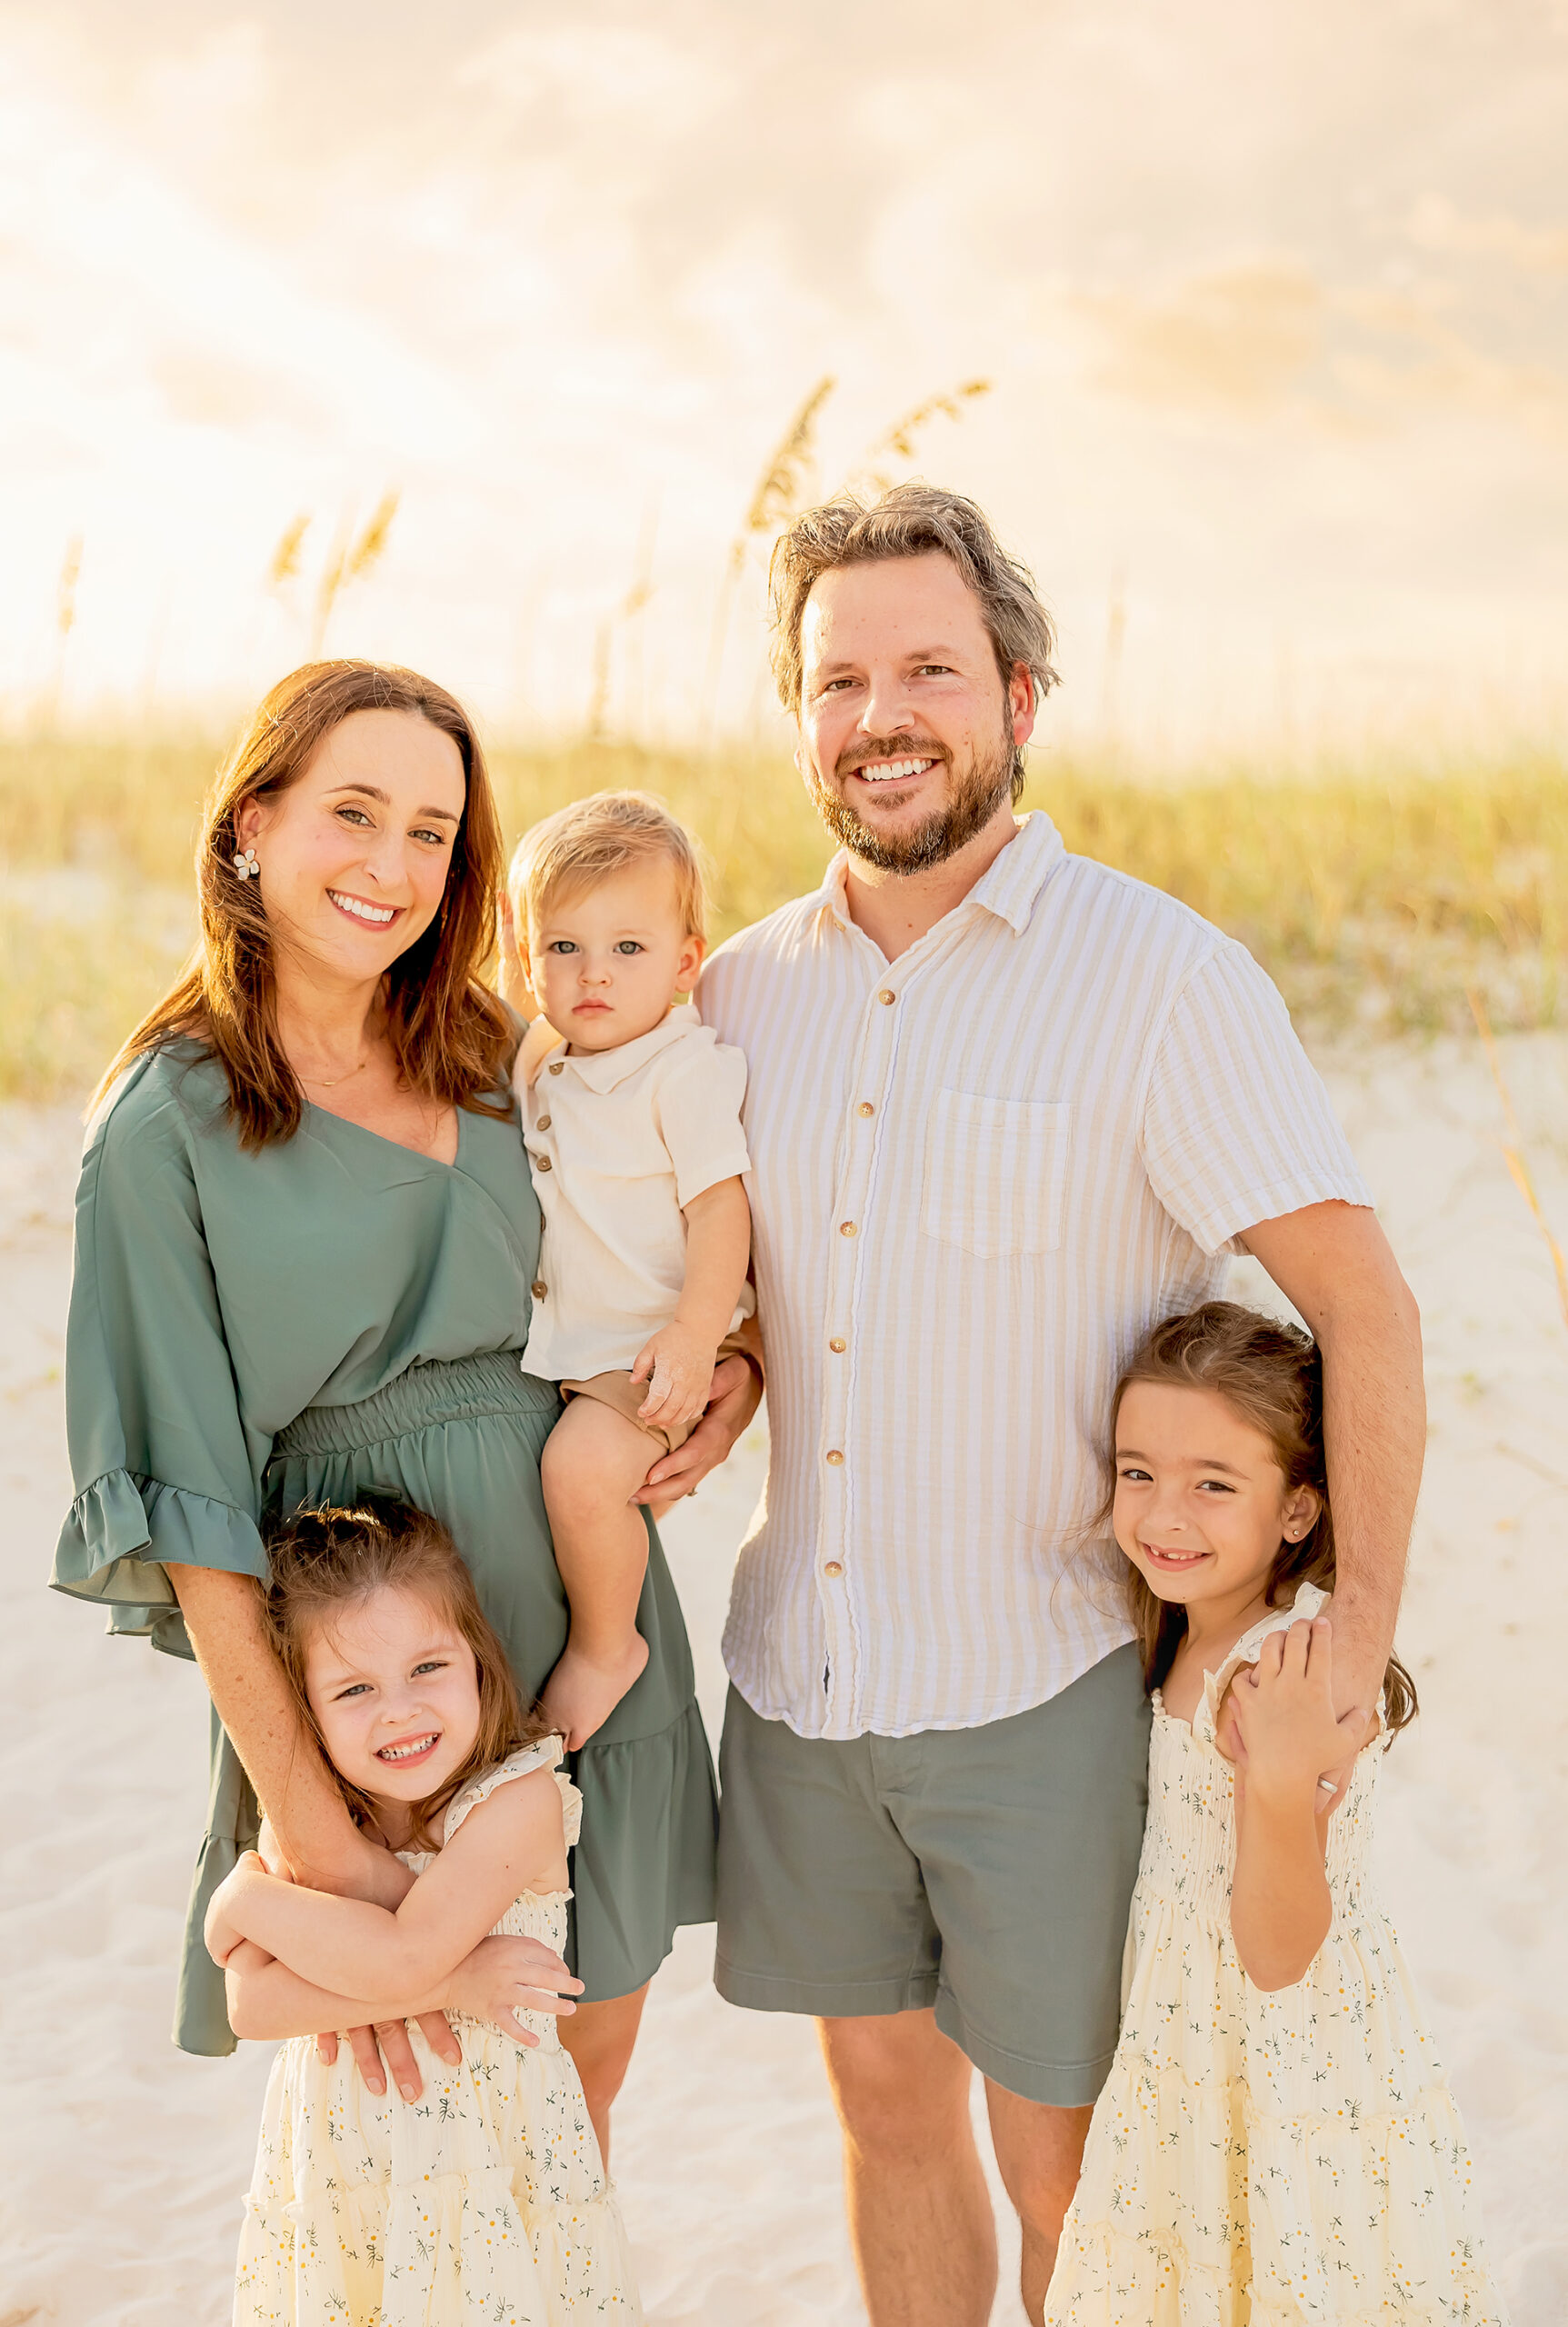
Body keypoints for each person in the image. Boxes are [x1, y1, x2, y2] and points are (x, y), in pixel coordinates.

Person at [695, 484, 1425, 2326]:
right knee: (882, 2115)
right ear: (798, 716)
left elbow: (1359, 1302)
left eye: (928, 669)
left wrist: (1352, 1634)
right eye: (836, 679)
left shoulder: (1159, 978)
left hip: (1042, 1695)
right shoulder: (735, 995)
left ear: (1018, 696)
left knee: (1069, 2167)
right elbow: (774, 1292)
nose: (880, 716)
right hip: (799, 1680)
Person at [53, 661, 754, 2152]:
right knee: (415, 2120)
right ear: (253, 823)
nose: (391, 864)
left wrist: (731, 1377)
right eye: (353, 813)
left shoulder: (505, 1048)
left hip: (577, 1619)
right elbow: (188, 1508)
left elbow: (655, 1236)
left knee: (576, 2085)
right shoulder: (162, 1128)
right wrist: (307, 1822)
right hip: (371, 1663)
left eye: (431, 832)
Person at [1047, 1303, 1507, 2325]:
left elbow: (1278, 1949)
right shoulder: (1187, 1633)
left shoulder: (1276, 1671)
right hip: (1192, 2047)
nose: (1164, 1516)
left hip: (1278, 2052)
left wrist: (1276, 1782)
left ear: (1297, 1511)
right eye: (1137, 1473)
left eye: (1213, 1484)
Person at [208, 1495, 640, 2326]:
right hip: (347, 2170)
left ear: (476, 1659)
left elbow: (404, 1954)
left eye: (427, 1668)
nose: (399, 1710)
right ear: (304, 1710)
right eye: (354, 1689)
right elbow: (250, 2005)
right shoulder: (313, 1826)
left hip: (490, 2164)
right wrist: (456, 1987)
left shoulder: (513, 1802)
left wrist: (248, 1900)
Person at [505, 793, 753, 1750]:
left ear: (685, 965)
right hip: (581, 1344)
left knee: (578, 1473)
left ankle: (608, 1646)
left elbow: (720, 1208)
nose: (593, 973)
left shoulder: (680, 1071)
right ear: (527, 959)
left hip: (650, 1349)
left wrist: (695, 1336)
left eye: (627, 948)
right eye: (563, 947)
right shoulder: (549, 1062)